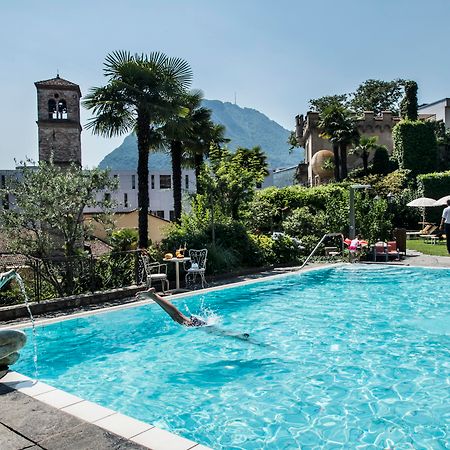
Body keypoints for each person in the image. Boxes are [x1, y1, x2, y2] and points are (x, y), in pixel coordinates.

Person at [136, 288, 252, 341]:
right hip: (202, 325)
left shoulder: (224, 333)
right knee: (177, 316)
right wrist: (240, 335)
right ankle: (153, 296)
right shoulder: (225, 333)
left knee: (176, 316)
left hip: (203, 325)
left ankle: (154, 297)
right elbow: (228, 333)